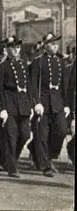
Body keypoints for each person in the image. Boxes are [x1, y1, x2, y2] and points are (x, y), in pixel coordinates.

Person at [30, 33, 70, 177]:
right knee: (41, 134)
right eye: (52, 43)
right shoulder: (38, 62)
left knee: (62, 131)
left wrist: (66, 104)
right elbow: (33, 85)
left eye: (56, 43)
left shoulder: (61, 63)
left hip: (58, 102)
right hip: (43, 103)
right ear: (45, 46)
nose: (55, 46)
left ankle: (49, 155)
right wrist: (36, 103)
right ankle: (45, 165)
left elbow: (65, 86)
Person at [0, 36, 32, 178]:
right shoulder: (1, 67)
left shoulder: (23, 65)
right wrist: (1, 107)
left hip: (23, 104)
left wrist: (32, 104)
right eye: (13, 48)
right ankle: (11, 167)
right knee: (11, 135)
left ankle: (10, 159)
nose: (16, 50)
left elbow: (28, 86)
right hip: (9, 103)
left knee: (25, 134)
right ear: (7, 49)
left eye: (18, 47)